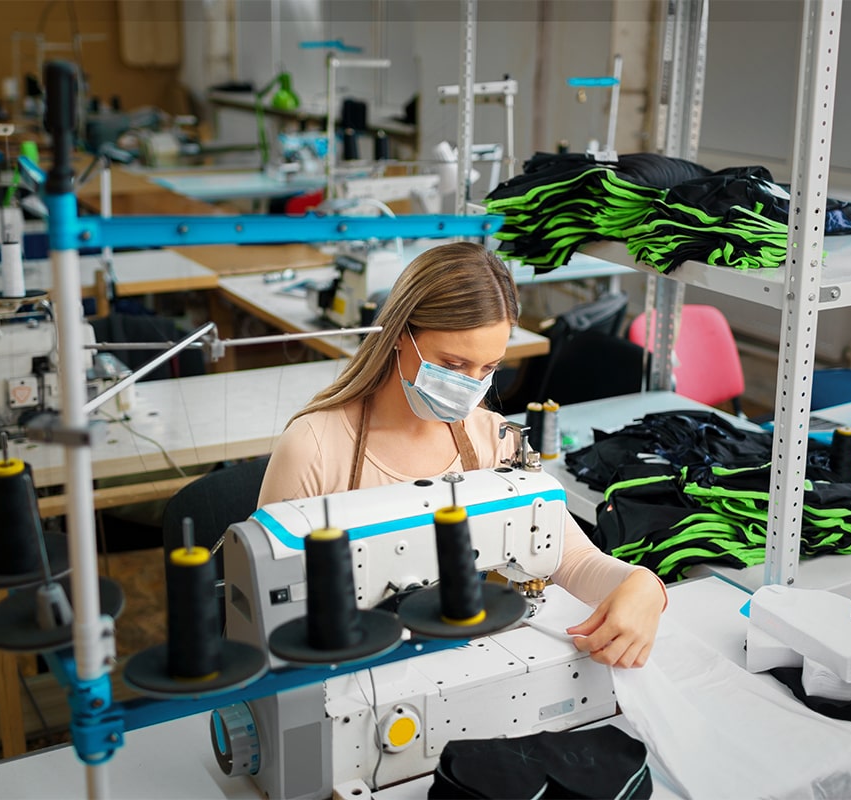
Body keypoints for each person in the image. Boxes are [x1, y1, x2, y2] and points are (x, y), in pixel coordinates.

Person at [258, 241, 666, 668]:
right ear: (400, 335)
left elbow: (574, 558)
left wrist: (640, 584)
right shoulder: (314, 447)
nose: (471, 386)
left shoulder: (495, 440)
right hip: (342, 670)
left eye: (488, 369)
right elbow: (273, 607)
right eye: (453, 365)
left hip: (455, 664)